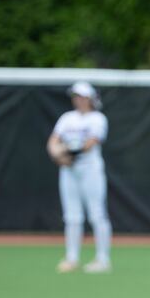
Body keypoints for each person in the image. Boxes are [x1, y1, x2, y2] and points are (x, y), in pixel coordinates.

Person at [46, 81, 113, 274]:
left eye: (82, 96)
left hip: (90, 170)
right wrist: (57, 156)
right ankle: (72, 258)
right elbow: (53, 141)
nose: (79, 100)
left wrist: (64, 152)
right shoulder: (67, 118)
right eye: (76, 96)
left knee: (97, 214)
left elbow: (90, 143)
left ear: (91, 98)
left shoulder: (97, 119)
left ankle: (103, 259)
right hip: (68, 171)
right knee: (72, 216)